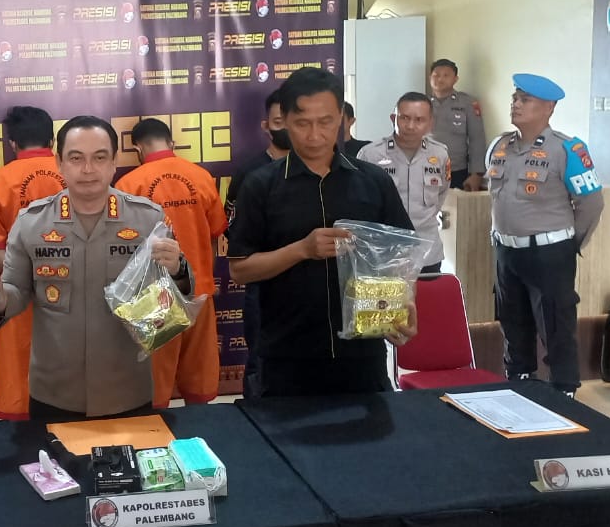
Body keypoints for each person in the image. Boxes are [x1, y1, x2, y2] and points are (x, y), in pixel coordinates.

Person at [0, 116, 192, 420]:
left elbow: (173, 299)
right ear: (59, 163)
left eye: (99, 157)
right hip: (54, 393)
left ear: (114, 162)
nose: (88, 169)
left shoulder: (147, 219)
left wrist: (178, 270)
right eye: (76, 158)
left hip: (128, 390)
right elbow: (16, 293)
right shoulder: (31, 223)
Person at [226, 68, 416, 397]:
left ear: (341, 117)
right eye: (302, 123)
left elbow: (399, 256)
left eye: (326, 122)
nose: (315, 135)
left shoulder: (373, 181)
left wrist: (404, 306)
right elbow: (240, 269)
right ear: (284, 121)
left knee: (373, 429)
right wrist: (302, 249)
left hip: (363, 356)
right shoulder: (261, 185)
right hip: (287, 357)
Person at [487, 73, 603, 395]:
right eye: (515, 98)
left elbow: (592, 204)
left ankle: (564, 389)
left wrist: (567, 245)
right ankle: (519, 380)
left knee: (555, 323)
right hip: (506, 250)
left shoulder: (567, 149)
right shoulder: (499, 146)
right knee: (512, 320)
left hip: (549, 252)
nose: (515, 104)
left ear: (549, 107)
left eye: (525, 99)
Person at [116, 118, 227, 408]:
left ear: (138, 149)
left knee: (155, 387)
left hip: (153, 299)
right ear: (172, 143)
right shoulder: (201, 177)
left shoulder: (128, 184)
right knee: (199, 383)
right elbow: (215, 234)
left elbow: (122, 248)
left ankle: (155, 432)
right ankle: (200, 432)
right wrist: (204, 276)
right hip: (199, 290)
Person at [0, 106, 66, 420]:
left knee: (19, 385)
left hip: (18, 299)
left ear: (12, 143)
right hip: (76, 297)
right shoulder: (77, 174)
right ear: (52, 140)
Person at [225, 87, 291, 397]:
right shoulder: (251, 173)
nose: (286, 128)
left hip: (313, 283)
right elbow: (232, 228)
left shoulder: (324, 170)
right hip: (262, 282)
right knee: (259, 361)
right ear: (266, 126)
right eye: (278, 122)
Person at [356, 92, 451, 273]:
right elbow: (361, 202)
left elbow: (441, 193)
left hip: (427, 252)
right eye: (404, 118)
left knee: (428, 292)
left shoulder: (439, 155)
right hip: (384, 253)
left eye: (419, 120)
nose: (410, 126)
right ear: (393, 118)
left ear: (430, 123)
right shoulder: (371, 155)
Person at [429, 58, 488, 190]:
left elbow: (477, 139)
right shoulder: (422, 104)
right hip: (425, 169)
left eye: (446, 75)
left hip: (456, 171)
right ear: (429, 77)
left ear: (455, 79)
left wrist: (477, 174)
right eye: (436, 75)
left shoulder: (467, 103)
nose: (440, 79)